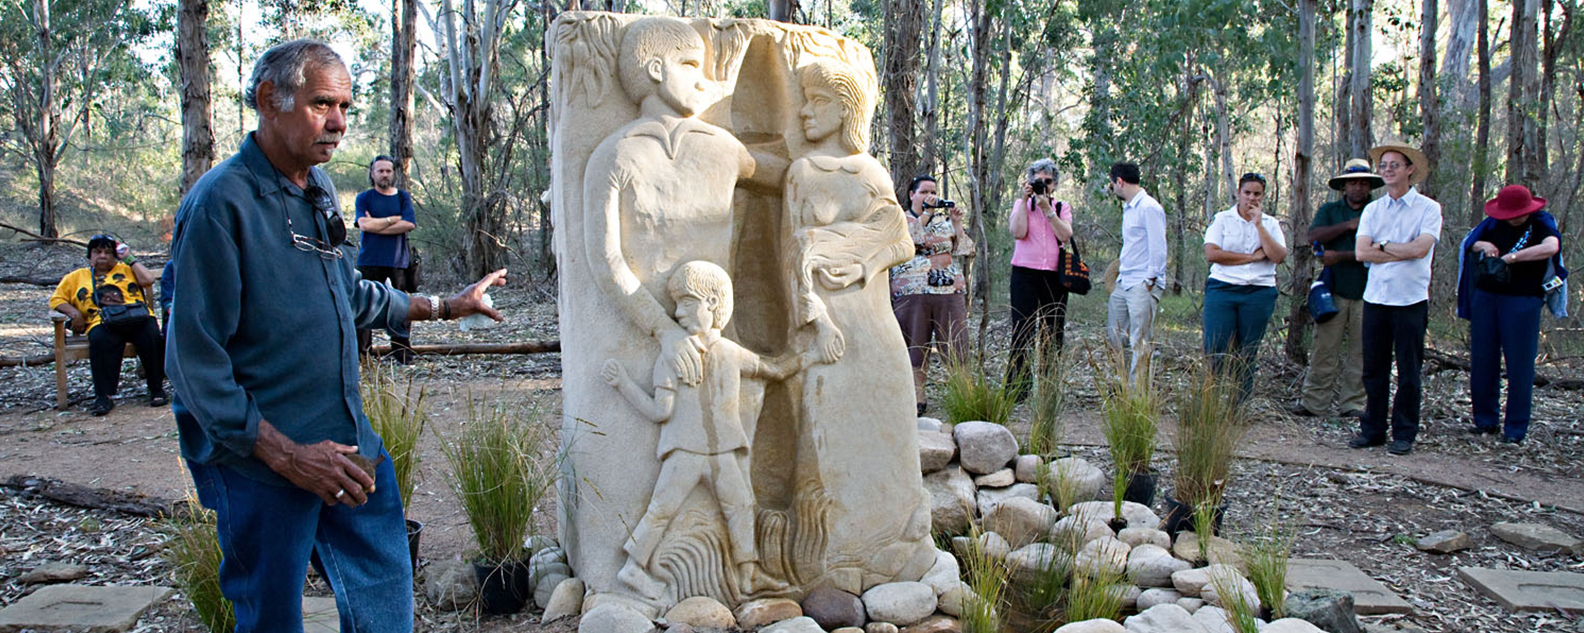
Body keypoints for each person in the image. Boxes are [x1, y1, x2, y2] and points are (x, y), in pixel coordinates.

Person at [166, 40, 504, 631]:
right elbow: (194, 361)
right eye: (323, 104)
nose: (340, 123)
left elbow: (344, 294)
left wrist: (446, 306)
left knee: (384, 592)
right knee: (271, 615)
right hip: (259, 460)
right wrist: (289, 457)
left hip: (345, 445)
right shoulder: (221, 205)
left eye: (346, 105)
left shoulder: (315, 190)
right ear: (271, 100)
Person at [602, 261, 807, 599]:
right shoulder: (671, 357)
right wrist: (624, 384)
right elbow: (659, 410)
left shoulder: (730, 352)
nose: (677, 312)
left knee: (740, 506)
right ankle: (633, 569)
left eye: (686, 302)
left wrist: (807, 355)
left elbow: (773, 370)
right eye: (675, 303)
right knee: (662, 509)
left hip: (722, 450)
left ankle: (748, 574)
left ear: (712, 303)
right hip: (685, 451)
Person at [1350, 143, 1442, 456]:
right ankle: (1372, 429)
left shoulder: (1428, 209)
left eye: (1394, 165)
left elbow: (1420, 249)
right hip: (1376, 299)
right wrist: (1398, 248)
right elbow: (1362, 252)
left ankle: (1404, 433)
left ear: (1409, 169)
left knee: (1409, 370)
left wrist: (1383, 246)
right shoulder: (1372, 210)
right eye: (1384, 165)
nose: (1388, 169)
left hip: (1411, 301)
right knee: (1374, 369)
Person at [1457, 185, 1564, 445]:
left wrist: (1512, 258)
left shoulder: (1542, 223)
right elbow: (1471, 244)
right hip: (1486, 297)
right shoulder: (1492, 223)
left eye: (1517, 212)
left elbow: (1551, 247)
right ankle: (1485, 420)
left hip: (1522, 300)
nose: (1512, 217)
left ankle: (1515, 428)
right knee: (1483, 359)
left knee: (1519, 365)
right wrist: (1485, 245)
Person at [1292, 159, 1380, 419]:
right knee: (1324, 348)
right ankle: (1314, 403)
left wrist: (1339, 256)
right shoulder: (1330, 210)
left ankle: (1353, 404)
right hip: (1334, 291)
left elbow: (1381, 250)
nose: (1358, 187)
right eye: (1353, 182)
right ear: (1344, 186)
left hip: (1370, 291)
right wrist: (1348, 226)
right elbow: (1313, 236)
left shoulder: (1378, 211)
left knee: (1362, 352)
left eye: (1363, 182)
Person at [49, 235, 166, 415]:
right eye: (97, 252)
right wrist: (74, 313)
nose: (102, 256)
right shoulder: (76, 277)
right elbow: (57, 300)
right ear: (90, 255)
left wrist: (129, 257)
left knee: (150, 334)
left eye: (108, 252)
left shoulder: (127, 269)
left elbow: (148, 280)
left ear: (115, 256)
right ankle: (104, 396)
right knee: (100, 339)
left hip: (137, 318)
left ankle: (156, 389)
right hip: (102, 321)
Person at [890, 174, 973, 415]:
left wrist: (956, 224)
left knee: (956, 342)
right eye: (924, 192)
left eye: (933, 192)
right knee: (915, 343)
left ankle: (963, 395)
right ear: (912, 194)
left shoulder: (943, 221)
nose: (930, 196)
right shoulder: (899, 218)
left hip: (948, 290)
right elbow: (910, 240)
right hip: (912, 292)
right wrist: (925, 214)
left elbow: (967, 249)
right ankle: (917, 397)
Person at [1202, 173, 1288, 402]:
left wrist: (1258, 225)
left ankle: (1238, 408)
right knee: (1216, 347)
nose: (1251, 198)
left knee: (1247, 351)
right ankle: (1208, 407)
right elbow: (1212, 254)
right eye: (1247, 193)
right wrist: (1251, 258)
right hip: (1223, 289)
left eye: (1257, 194)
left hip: (1259, 291)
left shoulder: (1270, 224)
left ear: (1263, 196)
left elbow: (1278, 256)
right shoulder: (1222, 219)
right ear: (1238, 193)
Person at [1005, 158, 1074, 399]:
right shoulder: (1020, 204)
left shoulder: (1061, 207)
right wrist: (1025, 202)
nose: (1043, 184)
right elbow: (1018, 232)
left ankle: (1048, 389)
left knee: (1052, 331)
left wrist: (1047, 209)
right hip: (1024, 273)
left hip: (1054, 276)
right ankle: (1018, 389)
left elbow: (1065, 235)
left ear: (1054, 185)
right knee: (1022, 329)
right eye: (1037, 180)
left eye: (1047, 181)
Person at [1106, 161, 1168, 384]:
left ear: (1119, 181)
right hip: (1125, 280)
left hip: (1143, 282)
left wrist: (1150, 280)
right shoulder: (1130, 208)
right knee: (1114, 335)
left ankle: (1137, 396)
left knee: (1139, 340)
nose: (1112, 188)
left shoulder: (1149, 207)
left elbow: (1158, 247)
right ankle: (1122, 383)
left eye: (1112, 183)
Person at [355, 155, 418, 364]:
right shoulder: (364, 198)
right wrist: (393, 219)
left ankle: (402, 354)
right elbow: (364, 225)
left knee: (401, 308)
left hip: (398, 261)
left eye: (388, 171)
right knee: (363, 307)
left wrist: (376, 223)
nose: (384, 174)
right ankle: (363, 356)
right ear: (372, 173)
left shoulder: (402, 198)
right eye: (380, 171)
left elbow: (409, 224)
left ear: (394, 173)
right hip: (369, 261)